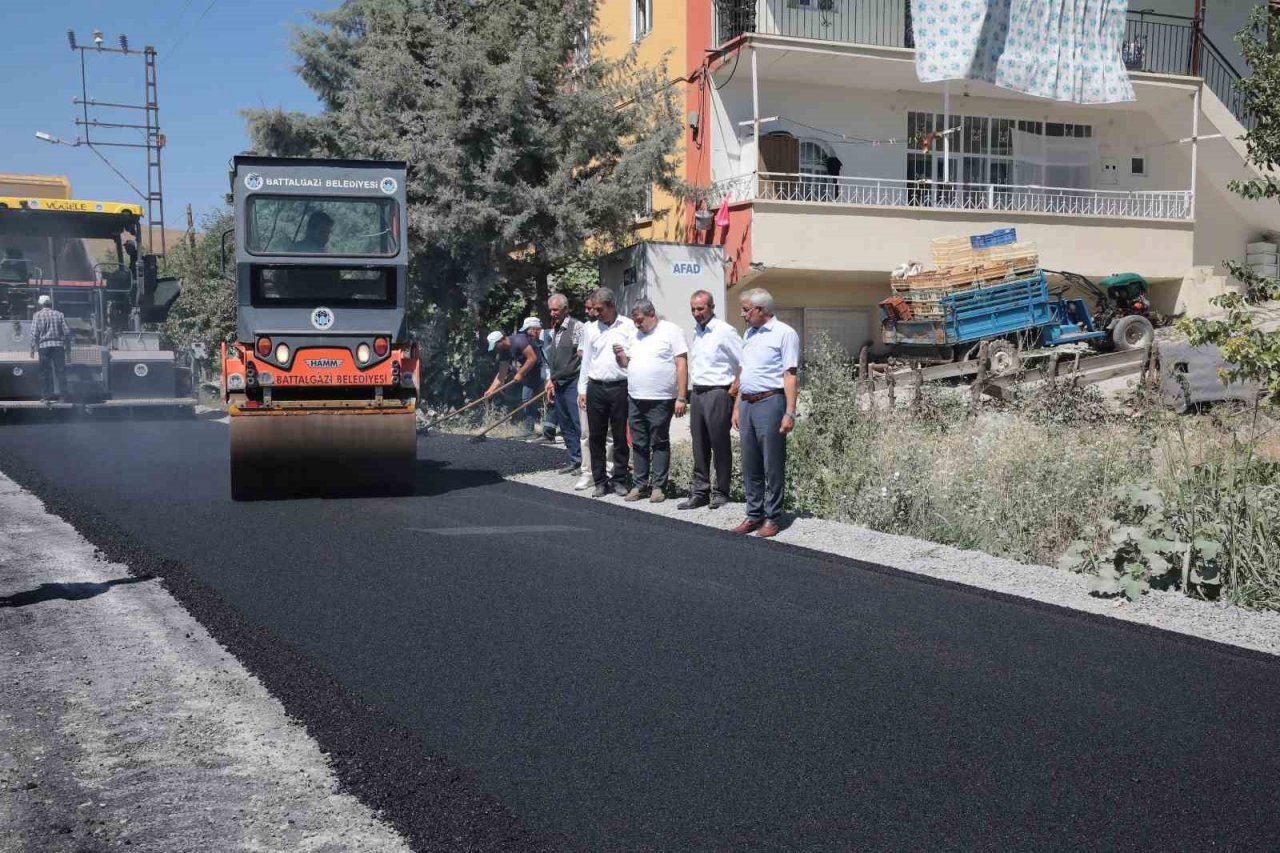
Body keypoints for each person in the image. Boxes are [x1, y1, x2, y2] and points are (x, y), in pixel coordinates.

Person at [730, 287, 799, 539]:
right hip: (747, 403)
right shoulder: (749, 333)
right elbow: (745, 372)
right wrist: (737, 406)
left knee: (772, 463)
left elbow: (790, 375)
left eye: (746, 309)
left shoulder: (784, 334)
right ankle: (753, 514)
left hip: (771, 402)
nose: (743, 314)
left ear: (760, 309)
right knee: (750, 463)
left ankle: (772, 517)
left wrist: (789, 412)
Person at [614, 298, 688, 503]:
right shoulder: (634, 334)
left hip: (661, 399)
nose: (637, 325)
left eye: (640, 320)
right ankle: (640, 484)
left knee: (659, 441)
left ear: (652, 314)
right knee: (638, 443)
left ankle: (658, 486)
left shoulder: (671, 330)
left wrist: (681, 397)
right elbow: (626, 364)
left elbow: (681, 364)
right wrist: (619, 356)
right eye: (635, 321)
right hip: (636, 397)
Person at [680, 289, 743, 511]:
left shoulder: (725, 331)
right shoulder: (697, 332)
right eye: (693, 309)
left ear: (711, 307)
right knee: (699, 445)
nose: (696, 313)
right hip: (697, 393)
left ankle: (721, 491)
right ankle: (700, 491)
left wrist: (737, 385)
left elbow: (744, 361)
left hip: (718, 392)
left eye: (700, 309)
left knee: (720, 443)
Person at [577, 286, 635, 498]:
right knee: (596, 436)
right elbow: (586, 361)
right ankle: (600, 481)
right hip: (596, 387)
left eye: (599, 309)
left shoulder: (628, 326)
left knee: (620, 436)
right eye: (594, 309)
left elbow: (634, 357)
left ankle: (619, 479)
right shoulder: (590, 329)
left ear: (611, 306)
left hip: (620, 386)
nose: (595, 313)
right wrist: (582, 389)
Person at [543, 294, 583, 474]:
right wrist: (550, 380)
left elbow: (581, 356)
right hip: (558, 383)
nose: (552, 313)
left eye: (555, 310)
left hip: (573, 381)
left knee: (578, 422)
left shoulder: (577, 327)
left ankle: (585, 463)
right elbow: (553, 359)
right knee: (565, 424)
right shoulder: (553, 331)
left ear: (566, 310)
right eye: (550, 310)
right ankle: (574, 459)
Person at [484, 326, 543, 436]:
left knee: (528, 398)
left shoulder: (519, 341)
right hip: (530, 369)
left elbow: (532, 358)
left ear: (501, 340)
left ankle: (530, 430)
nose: (496, 349)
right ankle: (531, 429)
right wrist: (491, 390)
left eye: (496, 346)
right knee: (527, 397)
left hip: (542, 367)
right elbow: (502, 374)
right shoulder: (504, 351)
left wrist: (520, 373)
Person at [28, 295, 71, 404]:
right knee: (60, 372)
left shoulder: (37, 315)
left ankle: (46, 397)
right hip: (58, 346)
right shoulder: (59, 314)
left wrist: (32, 348)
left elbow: (34, 333)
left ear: (40, 304)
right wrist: (67, 346)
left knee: (44, 372)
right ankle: (63, 397)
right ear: (50, 303)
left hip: (44, 347)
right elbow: (67, 331)